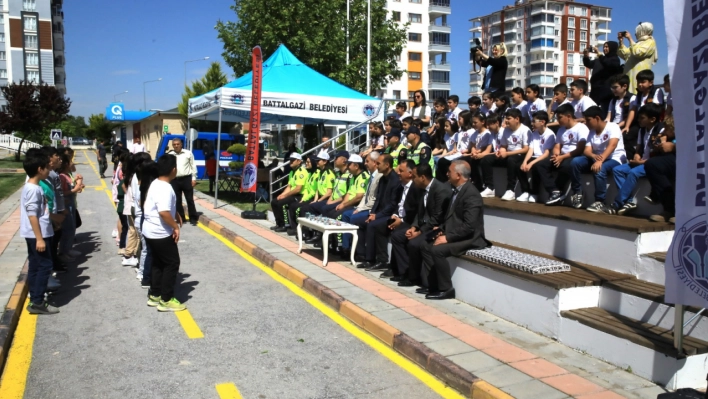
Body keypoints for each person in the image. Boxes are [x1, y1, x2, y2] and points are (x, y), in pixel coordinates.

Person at [420, 160, 491, 300]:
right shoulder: (456, 191)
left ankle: (446, 289)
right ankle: (432, 285)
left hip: (471, 238)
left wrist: (447, 238)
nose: (447, 174)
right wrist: (441, 230)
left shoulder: (471, 194)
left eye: (449, 172)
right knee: (425, 243)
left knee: (437, 250)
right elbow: (452, 218)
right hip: (457, 233)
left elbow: (469, 226)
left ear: (458, 175)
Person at [142, 154, 186, 312]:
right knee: (172, 263)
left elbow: (165, 208)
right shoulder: (166, 188)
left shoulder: (156, 182)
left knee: (158, 263)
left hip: (150, 230)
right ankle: (166, 299)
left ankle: (155, 294)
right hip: (160, 232)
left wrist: (176, 215)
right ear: (173, 170)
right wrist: (175, 226)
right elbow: (163, 212)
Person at [396, 163, 451, 288]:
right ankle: (404, 272)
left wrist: (419, 232)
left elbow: (436, 218)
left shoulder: (440, 190)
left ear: (422, 177)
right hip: (424, 225)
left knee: (415, 243)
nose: (412, 179)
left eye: (414, 176)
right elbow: (419, 213)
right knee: (398, 236)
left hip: (436, 227)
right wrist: (414, 227)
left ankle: (416, 278)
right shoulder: (422, 189)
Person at [368, 159, 421, 278]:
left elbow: (415, 210)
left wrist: (401, 220)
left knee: (397, 234)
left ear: (410, 173)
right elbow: (398, 204)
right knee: (378, 226)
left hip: (409, 221)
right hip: (399, 217)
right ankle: (382, 260)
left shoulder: (415, 188)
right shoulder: (401, 186)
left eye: (401, 171)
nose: (398, 173)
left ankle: (397, 269)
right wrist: (396, 215)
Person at [21, 150, 59, 314]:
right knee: (44, 266)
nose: (49, 170)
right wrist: (40, 239)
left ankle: (36, 297)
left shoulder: (32, 187)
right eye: (46, 168)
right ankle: (37, 301)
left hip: (38, 233)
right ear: (39, 169)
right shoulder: (34, 190)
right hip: (38, 235)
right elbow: (32, 215)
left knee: (36, 266)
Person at [609, 103, 664, 215]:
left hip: (652, 164)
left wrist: (642, 162)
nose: (639, 120)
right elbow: (638, 148)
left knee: (633, 173)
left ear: (653, 119)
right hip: (642, 162)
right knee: (617, 170)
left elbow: (659, 155)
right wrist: (637, 155)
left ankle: (617, 203)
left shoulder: (660, 130)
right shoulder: (642, 130)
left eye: (642, 118)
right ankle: (629, 201)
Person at [571, 106, 627, 212]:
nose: (586, 123)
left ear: (597, 118)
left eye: (588, 120)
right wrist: (594, 156)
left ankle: (600, 201)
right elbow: (587, 150)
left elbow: (612, 145)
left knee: (599, 169)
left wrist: (600, 160)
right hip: (597, 158)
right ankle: (577, 192)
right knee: (575, 162)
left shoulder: (613, 127)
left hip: (614, 158)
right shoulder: (591, 132)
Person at [354, 154, 400, 269]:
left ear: (387, 165)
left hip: (390, 214)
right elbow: (377, 198)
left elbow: (393, 204)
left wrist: (377, 215)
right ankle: (363, 255)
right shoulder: (382, 178)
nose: (377, 165)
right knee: (361, 222)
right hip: (380, 212)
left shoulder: (395, 180)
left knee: (374, 225)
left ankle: (380, 260)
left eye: (379, 163)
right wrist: (373, 213)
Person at [540, 104, 591, 206]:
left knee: (566, 166)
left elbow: (580, 148)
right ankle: (554, 191)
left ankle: (560, 190)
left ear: (568, 116)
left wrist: (562, 157)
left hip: (574, 156)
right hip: (561, 156)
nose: (558, 120)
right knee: (541, 164)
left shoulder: (581, 128)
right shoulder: (561, 129)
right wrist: (556, 155)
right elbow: (557, 146)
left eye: (560, 117)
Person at [479, 108, 531, 201]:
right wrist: (501, 152)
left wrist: (507, 153)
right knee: (486, 159)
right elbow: (503, 146)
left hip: (519, 155)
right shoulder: (506, 130)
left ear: (517, 119)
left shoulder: (525, 130)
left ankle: (510, 190)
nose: (506, 121)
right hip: (508, 154)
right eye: (506, 118)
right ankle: (489, 187)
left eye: (509, 118)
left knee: (512, 161)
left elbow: (526, 149)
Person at [304, 151, 351, 244]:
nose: (335, 160)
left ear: (344, 161)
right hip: (332, 200)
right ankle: (317, 234)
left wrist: (331, 202)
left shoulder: (349, 175)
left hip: (341, 201)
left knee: (325, 209)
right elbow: (333, 191)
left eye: (337, 158)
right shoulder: (338, 174)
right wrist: (329, 200)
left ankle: (325, 238)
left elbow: (346, 194)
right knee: (312, 207)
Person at [341, 152, 381, 258]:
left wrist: (362, 209)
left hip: (371, 209)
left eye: (367, 161)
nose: (366, 164)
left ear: (375, 163)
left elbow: (374, 199)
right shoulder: (371, 176)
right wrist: (359, 208)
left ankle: (361, 253)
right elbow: (365, 196)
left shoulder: (378, 177)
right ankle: (346, 248)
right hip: (364, 207)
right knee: (346, 215)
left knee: (355, 218)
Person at [297, 153, 336, 241]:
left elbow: (329, 192)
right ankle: (307, 232)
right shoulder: (321, 172)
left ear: (325, 161)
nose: (317, 162)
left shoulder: (329, 173)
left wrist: (318, 201)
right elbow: (318, 189)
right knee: (307, 207)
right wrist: (315, 200)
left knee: (311, 208)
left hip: (326, 198)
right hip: (320, 197)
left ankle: (317, 234)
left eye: (319, 160)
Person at [519, 111, 556, 203]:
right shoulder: (534, 133)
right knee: (518, 164)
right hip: (535, 157)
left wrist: (531, 163)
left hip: (544, 158)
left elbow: (546, 154)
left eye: (534, 121)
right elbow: (531, 150)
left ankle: (535, 193)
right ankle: (525, 191)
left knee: (536, 166)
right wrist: (525, 162)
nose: (532, 123)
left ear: (542, 122)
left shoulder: (550, 134)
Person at [645, 116, 676, 223]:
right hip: (675, 157)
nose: (665, 132)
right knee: (653, 164)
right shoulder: (667, 136)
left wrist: (674, 147)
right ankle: (669, 209)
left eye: (668, 129)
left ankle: (684, 212)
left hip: (692, 159)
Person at [270, 153, 308, 232]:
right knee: (274, 201)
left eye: (293, 160)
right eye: (290, 160)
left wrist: (285, 196)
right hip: (292, 194)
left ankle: (285, 225)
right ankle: (279, 223)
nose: (291, 162)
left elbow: (298, 189)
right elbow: (289, 187)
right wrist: (282, 195)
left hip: (300, 195)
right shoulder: (292, 172)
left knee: (282, 203)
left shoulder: (302, 172)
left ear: (299, 161)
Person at [618, 22, 658, 94]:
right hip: (629, 76)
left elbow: (638, 52)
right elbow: (625, 55)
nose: (635, 33)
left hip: (640, 76)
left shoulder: (650, 42)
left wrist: (630, 39)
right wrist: (621, 42)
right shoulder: (636, 44)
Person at [583, 41, 623, 113]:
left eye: (607, 47)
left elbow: (608, 64)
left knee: (605, 112)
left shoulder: (615, 59)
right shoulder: (600, 59)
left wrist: (599, 54)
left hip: (606, 93)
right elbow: (589, 64)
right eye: (604, 47)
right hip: (595, 91)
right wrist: (586, 56)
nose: (605, 49)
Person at [606, 74, 639, 160]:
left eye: (615, 87)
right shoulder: (613, 100)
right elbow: (608, 117)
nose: (613, 90)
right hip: (614, 126)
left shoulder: (632, 98)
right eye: (612, 88)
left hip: (625, 126)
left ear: (624, 86)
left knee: (624, 138)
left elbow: (630, 116)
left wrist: (617, 126)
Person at [167, 138, 198, 225]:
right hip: (175, 180)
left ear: (181, 144)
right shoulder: (170, 154)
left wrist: (194, 178)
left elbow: (193, 166)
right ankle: (181, 218)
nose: (176, 146)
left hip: (186, 179)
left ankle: (193, 218)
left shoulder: (188, 153)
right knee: (177, 200)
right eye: (174, 145)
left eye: (178, 144)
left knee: (189, 199)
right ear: (172, 146)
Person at [461, 112, 494, 191]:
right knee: (464, 159)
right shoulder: (474, 133)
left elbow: (485, 147)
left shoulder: (487, 133)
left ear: (482, 122)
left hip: (483, 154)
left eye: (475, 122)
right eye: (472, 122)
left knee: (478, 161)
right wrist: (473, 151)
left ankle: (481, 183)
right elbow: (472, 144)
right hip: (476, 153)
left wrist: (477, 152)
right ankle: (473, 181)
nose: (473, 124)